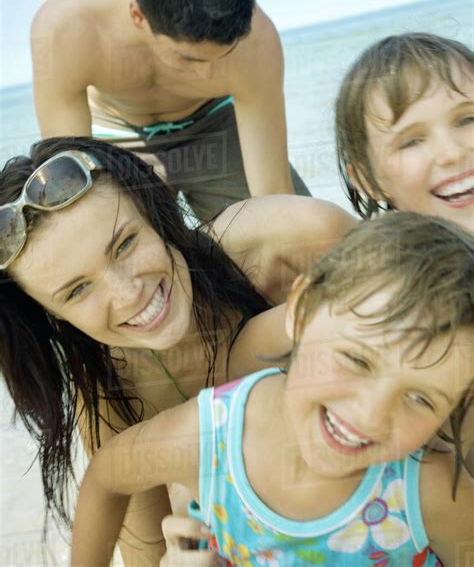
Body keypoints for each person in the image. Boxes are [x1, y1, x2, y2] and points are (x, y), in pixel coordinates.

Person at [0, 136, 353, 565]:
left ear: (154, 213)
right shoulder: (114, 399)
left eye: (126, 244)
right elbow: (146, 556)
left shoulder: (293, 240)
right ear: (54, 319)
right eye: (77, 290)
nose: (128, 293)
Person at [70, 212, 473, 566]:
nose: (370, 415)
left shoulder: (428, 490)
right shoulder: (212, 437)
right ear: (302, 310)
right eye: (358, 360)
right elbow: (107, 476)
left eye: (420, 398)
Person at [30, 0, 310, 223]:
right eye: (189, 60)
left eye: (223, 55)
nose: (207, 75)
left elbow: (273, 194)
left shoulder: (255, 40)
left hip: (213, 124)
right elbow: (70, 181)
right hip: (115, 135)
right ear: (138, 16)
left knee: (294, 236)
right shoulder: (65, 29)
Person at [335, 32, 473, 232]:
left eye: (468, 120)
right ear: (368, 181)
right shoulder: (384, 262)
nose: (452, 154)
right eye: (411, 142)